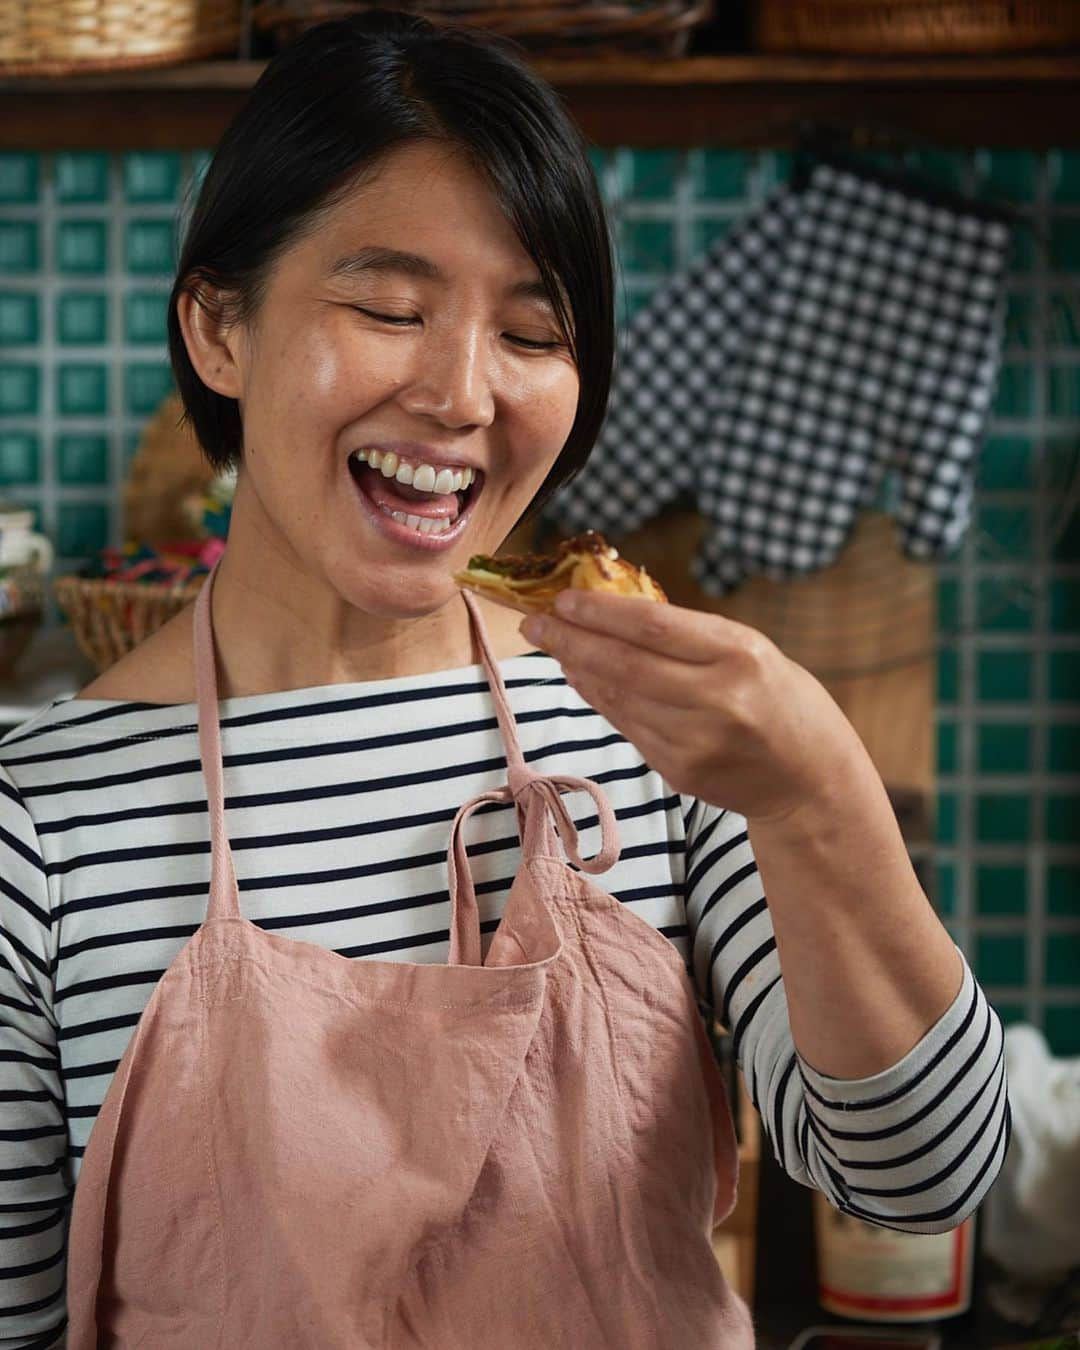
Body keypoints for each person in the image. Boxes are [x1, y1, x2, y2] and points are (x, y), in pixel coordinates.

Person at [0, 10, 1008, 1347]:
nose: (465, 393)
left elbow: (920, 1172)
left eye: (532, 330)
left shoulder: (659, 738)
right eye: (387, 308)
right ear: (220, 328)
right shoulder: (39, 825)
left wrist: (818, 795)